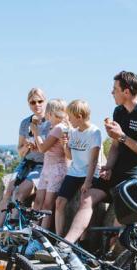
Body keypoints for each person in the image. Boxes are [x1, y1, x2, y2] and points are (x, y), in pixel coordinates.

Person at [61, 71, 137, 243]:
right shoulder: (119, 112)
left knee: (125, 212)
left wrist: (122, 136)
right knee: (87, 198)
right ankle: (67, 244)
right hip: (118, 169)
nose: (111, 92)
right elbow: (115, 146)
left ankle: (111, 253)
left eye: (115, 89)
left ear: (127, 92)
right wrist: (108, 167)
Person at [0, 88, 50, 250]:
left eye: (40, 101)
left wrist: (37, 144)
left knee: (20, 193)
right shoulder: (25, 123)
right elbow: (20, 150)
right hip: (27, 162)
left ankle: (8, 236)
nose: (37, 105)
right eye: (33, 102)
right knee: (8, 192)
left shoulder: (51, 122)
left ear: (45, 101)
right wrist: (27, 146)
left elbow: (49, 150)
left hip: (43, 165)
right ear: (28, 104)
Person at [54, 99, 107, 243]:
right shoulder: (73, 132)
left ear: (79, 117)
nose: (69, 120)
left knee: (83, 203)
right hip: (74, 171)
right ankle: (58, 238)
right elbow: (70, 156)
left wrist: (88, 181)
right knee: (59, 202)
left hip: (90, 172)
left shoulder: (94, 132)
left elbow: (94, 160)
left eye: (70, 117)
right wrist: (65, 145)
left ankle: (81, 242)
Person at [32, 98, 70, 230]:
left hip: (56, 170)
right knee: (38, 201)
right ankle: (34, 229)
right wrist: (36, 146)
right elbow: (49, 148)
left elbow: (43, 148)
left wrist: (35, 132)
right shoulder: (55, 127)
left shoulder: (59, 128)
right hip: (47, 168)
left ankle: (41, 233)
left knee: (47, 205)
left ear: (51, 113)